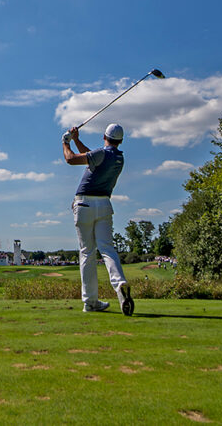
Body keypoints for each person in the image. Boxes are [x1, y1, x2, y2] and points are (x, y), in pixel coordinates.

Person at [62, 123, 134, 316]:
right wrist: (77, 139)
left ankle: (90, 301)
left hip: (84, 204)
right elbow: (91, 157)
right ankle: (120, 285)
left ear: (104, 136)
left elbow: (70, 159)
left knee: (87, 252)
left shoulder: (102, 154)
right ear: (120, 141)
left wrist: (65, 142)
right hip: (104, 205)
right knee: (107, 248)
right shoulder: (118, 158)